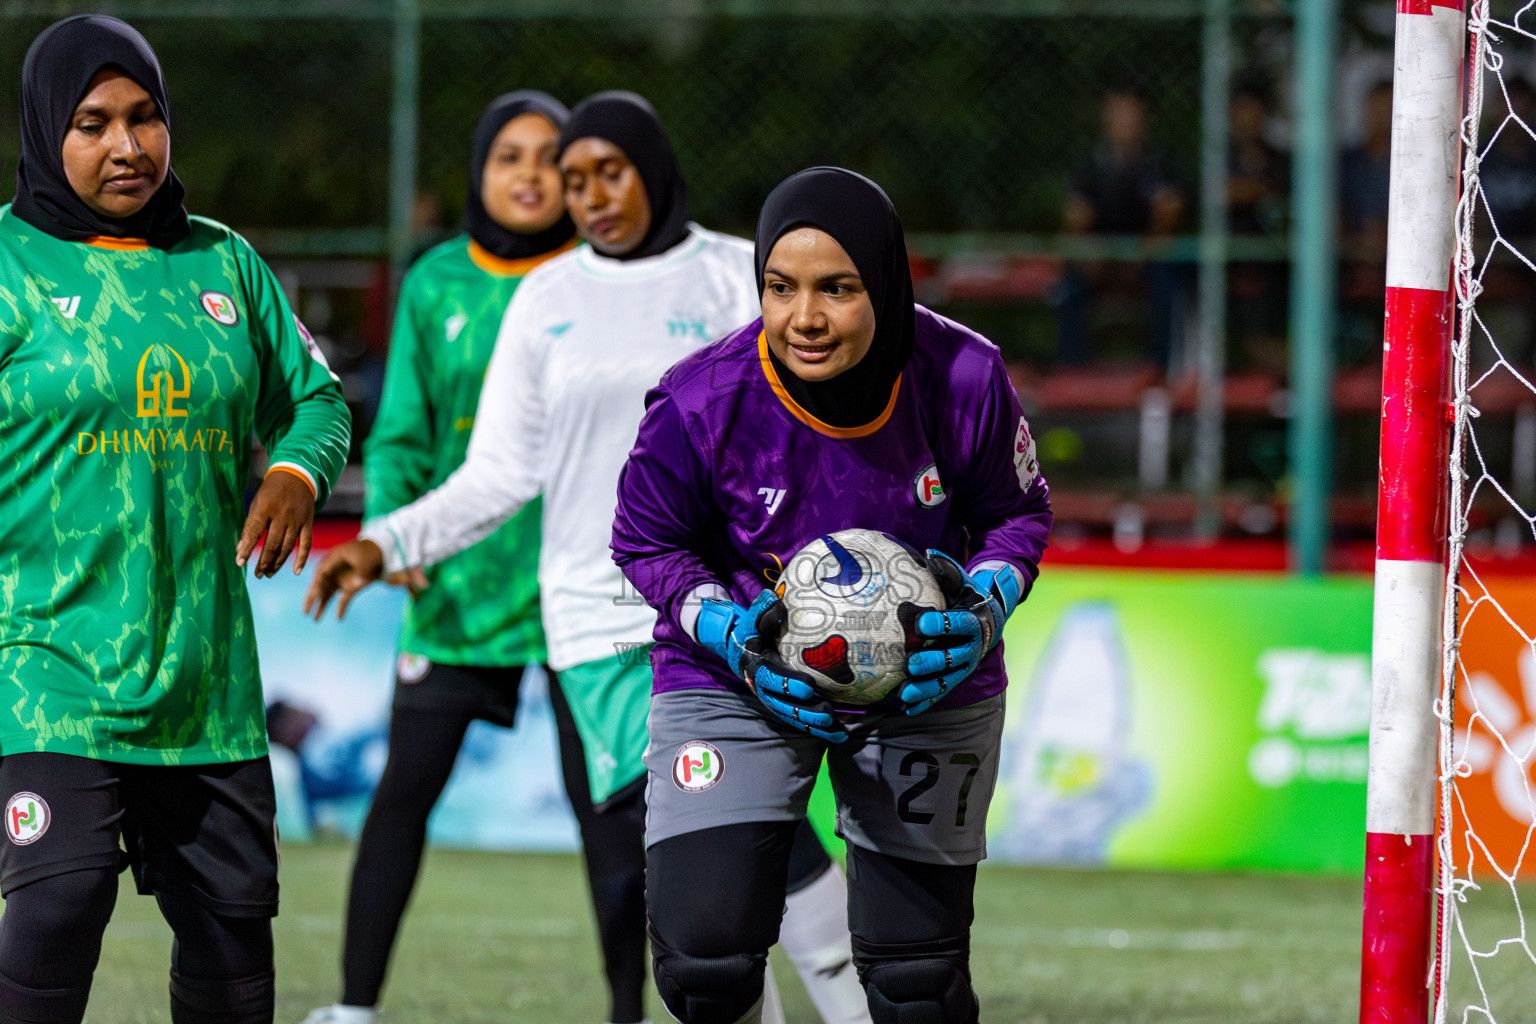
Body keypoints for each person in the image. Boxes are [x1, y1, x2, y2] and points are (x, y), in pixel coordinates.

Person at [305, 93, 871, 1024]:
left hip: (717, 615)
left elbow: (818, 413)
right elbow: (499, 471)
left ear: (652, 166)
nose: (591, 196)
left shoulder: (740, 276)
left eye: (609, 172)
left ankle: (860, 1005)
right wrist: (384, 541)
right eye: (574, 182)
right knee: (689, 872)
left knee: (752, 836)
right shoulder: (547, 297)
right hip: (589, 629)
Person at [610, 167, 1053, 1024]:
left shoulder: (963, 374)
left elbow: (1016, 515)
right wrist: (730, 630)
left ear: (885, 282)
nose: (804, 318)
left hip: (931, 681)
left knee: (915, 981)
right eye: (781, 288)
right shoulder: (701, 400)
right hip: (737, 681)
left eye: (837, 289)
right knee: (704, 965)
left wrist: (985, 608)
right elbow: (645, 539)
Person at [0, 16, 351, 1024]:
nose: (127, 146)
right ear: (43, 131)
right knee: (60, 900)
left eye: (146, 117)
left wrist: (293, 469)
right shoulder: (9, 266)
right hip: (44, 663)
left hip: (204, 675)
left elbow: (317, 400)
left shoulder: (224, 263)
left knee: (234, 942)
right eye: (95, 122)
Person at [299, 92, 588, 1024]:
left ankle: (637, 1009)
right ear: (480, 171)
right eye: (510, 154)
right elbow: (402, 433)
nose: (531, 173)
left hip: (582, 592)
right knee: (401, 800)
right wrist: (393, 528)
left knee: (616, 816)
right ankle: (353, 1009)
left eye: (552, 156)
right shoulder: (434, 283)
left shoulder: (603, 282)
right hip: (455, 588)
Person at [1053, 88, 1185, 369]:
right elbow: (1076, 219)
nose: (1124, 126)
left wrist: (1140, 257)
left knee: (1169, 287)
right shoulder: (1091, 166)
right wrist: (1091, 255)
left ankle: (1160, 368)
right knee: (1067, 289)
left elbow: (1168, 214)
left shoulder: (1158, 163)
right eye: (1118, 119)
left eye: (1131, 119)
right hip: (1101, 258)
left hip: (1146, 257)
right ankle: (1072, 368)